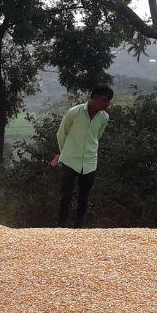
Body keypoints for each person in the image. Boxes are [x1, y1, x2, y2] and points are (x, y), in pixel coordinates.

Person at [54, 84, 114, 227]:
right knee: (66, 196)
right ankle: (61, 228)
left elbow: (97, 136)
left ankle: (78, 229)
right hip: (70, 159)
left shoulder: (104, 117)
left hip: (89, 162)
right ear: (95, 97)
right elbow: (61, 133)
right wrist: (64, 152)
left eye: (109, 100)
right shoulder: (74, 112)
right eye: (105, 100)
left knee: (83, 198)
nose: (107, 104)